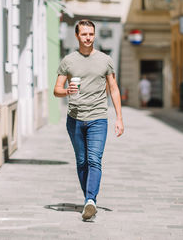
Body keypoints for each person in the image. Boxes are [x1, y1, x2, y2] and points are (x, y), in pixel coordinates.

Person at [53, 19, 124, 221]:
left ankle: (90, 200)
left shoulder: (105, 60)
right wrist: (66, 90)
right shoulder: (68, 61)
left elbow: (114, 89)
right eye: (84, 34)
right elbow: (56, 90)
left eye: (91, 34)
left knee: (94, 160)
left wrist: (119, 118)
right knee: (82, 161)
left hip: (98, 118)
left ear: (94, 35)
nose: (88, 38)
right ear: (77, 36)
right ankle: (89, 200)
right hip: (74, 118)